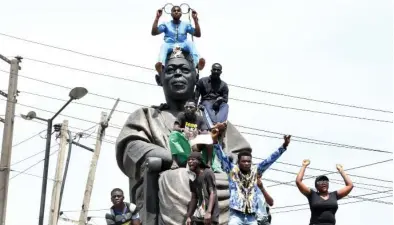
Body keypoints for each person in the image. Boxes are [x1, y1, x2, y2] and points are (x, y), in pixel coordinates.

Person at [115, 49, 252, 225]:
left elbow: (238, 149)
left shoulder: (210, 117)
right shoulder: (147, 115)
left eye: (185, 70)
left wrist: (232, 158)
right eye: (171, 70)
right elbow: (130, 146)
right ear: (160, 79)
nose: (178, 74)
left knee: (225, 182)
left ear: (196, 78)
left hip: (213, 175)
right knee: (176, 178)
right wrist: (167, 156)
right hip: (171, 177)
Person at [213, 131, 291, 225]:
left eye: (249, 162)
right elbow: (222, 157)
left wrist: (284, 146)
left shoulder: (255, 171)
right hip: (236, 215)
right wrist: (215, 141)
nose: (246, 163)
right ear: (239, 162)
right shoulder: (232, 170)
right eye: (244, 161)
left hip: (251, 217)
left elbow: (269, 160)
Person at [295, 159, 354, 225]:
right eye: (320, 182)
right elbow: (298, 182)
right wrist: (304, 166)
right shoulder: (312, 194)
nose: (323, 183)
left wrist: (341, 171)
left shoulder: (334, 195)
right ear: (316, 186)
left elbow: (350, 185)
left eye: (325, 181)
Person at [151, 5, 205, 73]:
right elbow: (154, 32)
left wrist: (195, 20)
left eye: (178, 11)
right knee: (164, 46)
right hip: (170, 44)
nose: (176, 12)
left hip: (183, 44)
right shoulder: (166, 24)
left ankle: (198, 63)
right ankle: (160, 65)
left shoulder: (186, 24)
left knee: (190, 43)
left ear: (181, 13)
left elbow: (198, 34)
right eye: (174, 11)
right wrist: (157, 18)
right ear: (171, 13)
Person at [170, 100, 215, 167]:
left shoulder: (200, 118)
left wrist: (198, 132)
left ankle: (209, 162)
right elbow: (175, 127)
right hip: (184, 139)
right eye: (186, 107)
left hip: (195, 141)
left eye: (191, 107)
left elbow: (205, 131)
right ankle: (174, 161)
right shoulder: (181, 115)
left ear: (196, 109)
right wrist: (183, 130)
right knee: (173, 134)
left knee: (208, 138)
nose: (188, 109)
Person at [186, 152, 220, 225]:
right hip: (199, 214)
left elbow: (213, 193)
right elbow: (194, 198)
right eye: (188, 160)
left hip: (210, 215)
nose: (190, 161)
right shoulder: (192, 178)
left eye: (192, 159)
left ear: (199, 161)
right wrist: (188, 216)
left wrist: (208, 212)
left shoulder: (207, 173)